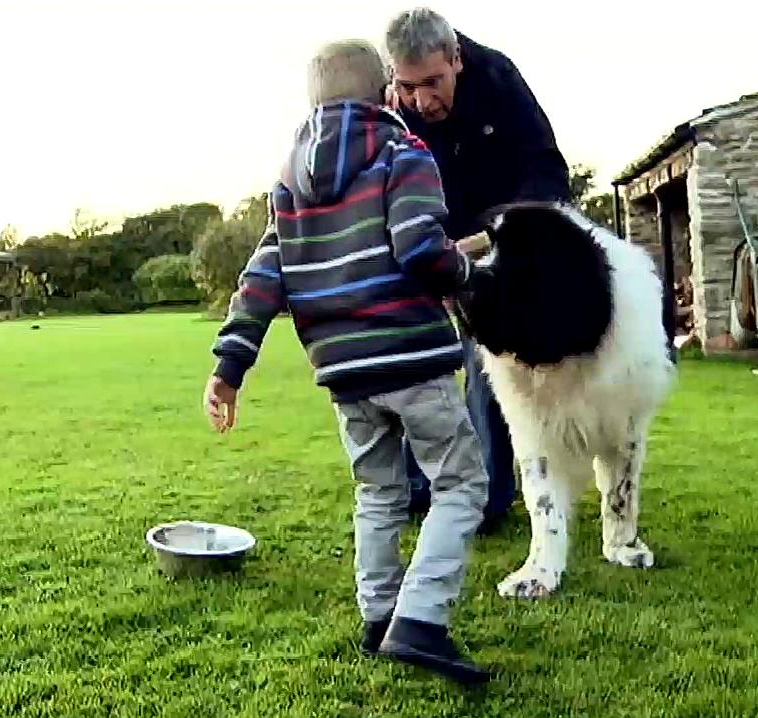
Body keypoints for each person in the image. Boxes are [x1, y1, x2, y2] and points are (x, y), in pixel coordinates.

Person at [203, 39, 491, 685]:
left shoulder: (289, 181)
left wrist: (229, 366)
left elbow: (261, 278)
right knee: (460, 484)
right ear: (387, 91)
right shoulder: (402, 152)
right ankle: (420, 621)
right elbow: (421, 247)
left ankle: (378, 616)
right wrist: (471, 273)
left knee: (379, 492)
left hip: (342, 370)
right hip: (411, 356)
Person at [383, 8, 572, 532]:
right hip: (420, 248)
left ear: (457, 59)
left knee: (488, 372)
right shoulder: (387, 109)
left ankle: (487, 499)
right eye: (408, 86)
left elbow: (549, 176)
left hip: (493, 248)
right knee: (409, 366)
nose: (422, 100)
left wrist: (491, 238)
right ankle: (414, 489)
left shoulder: (499, 80)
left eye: (433, 83)